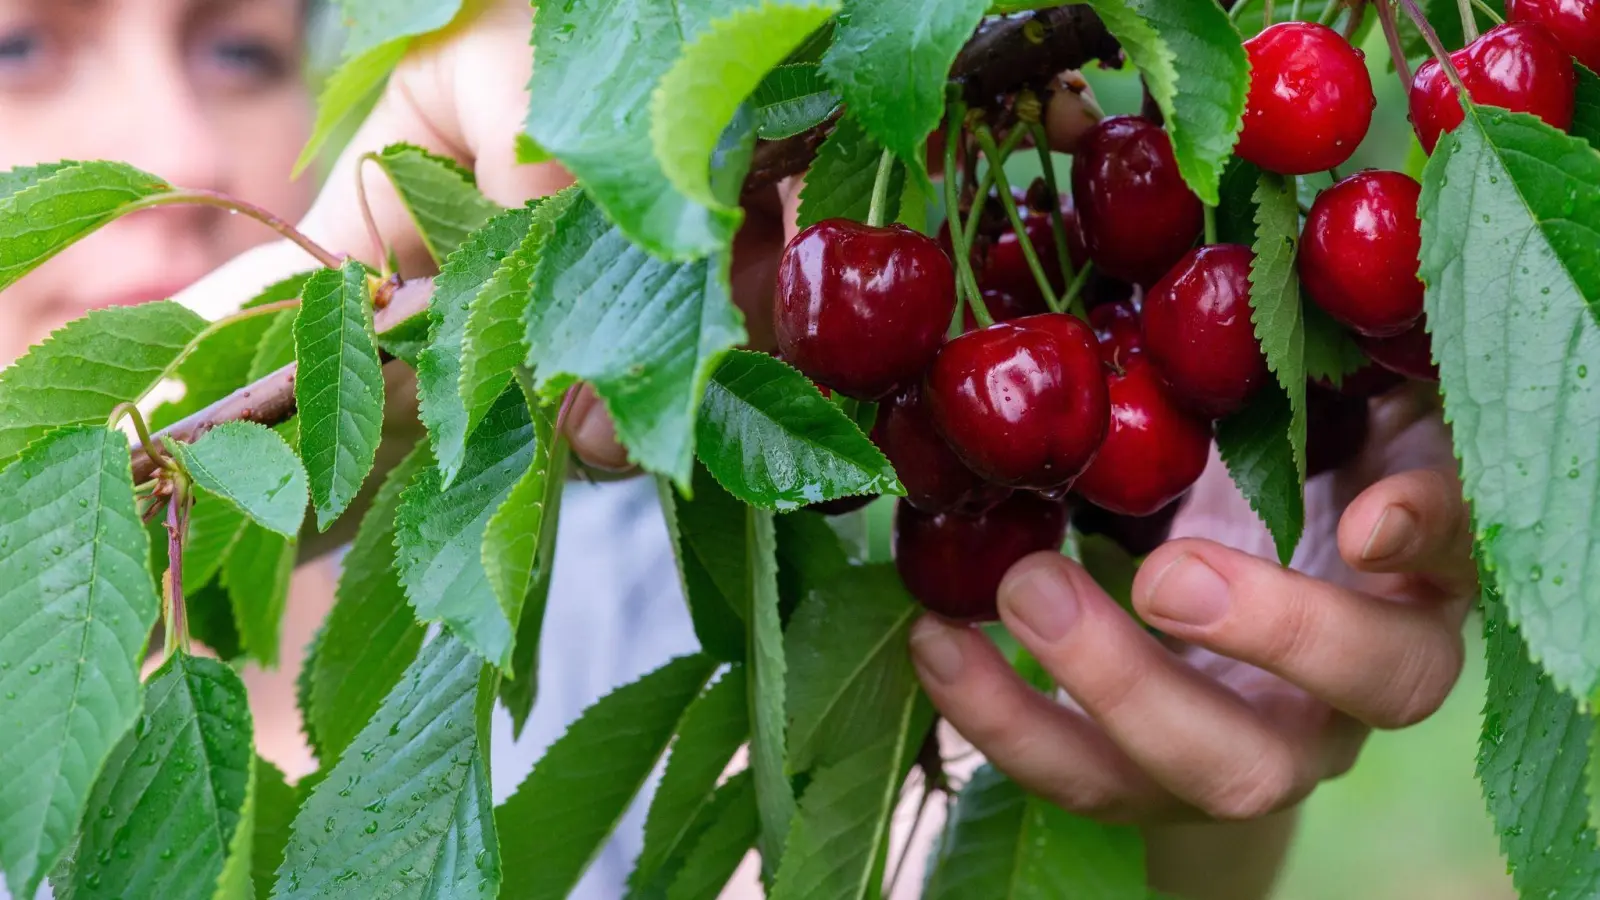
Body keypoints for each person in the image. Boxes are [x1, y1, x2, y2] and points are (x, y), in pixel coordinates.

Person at [0, 3, 1477, 900]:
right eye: (19, 44)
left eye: (242, 45)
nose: (171, 143)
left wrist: (1188, 818)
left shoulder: (632, 538)